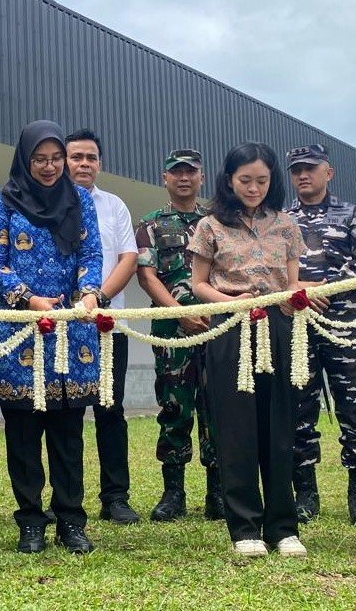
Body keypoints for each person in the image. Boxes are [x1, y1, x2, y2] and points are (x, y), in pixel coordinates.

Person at [0, 120, 104, 555]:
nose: (50, 167)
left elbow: (92, 253)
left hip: (72, 332)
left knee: (68, 434)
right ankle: (30, 521)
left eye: (56, 159)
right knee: (23, 433)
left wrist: (89, 292)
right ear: (25, 158)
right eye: (40, 159)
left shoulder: (80, 198)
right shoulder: (4, 200)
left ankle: (71, 520)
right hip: (19, 333)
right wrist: (29, 298)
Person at [189, 142, 307, 558]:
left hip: (277, 326)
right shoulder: (209, 226)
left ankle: (283, 526)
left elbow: (292, 281)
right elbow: (198, 284)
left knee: (278, 426)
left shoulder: (287, 225)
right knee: (236, 427)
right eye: (245, 180)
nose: (254, 188)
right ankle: (245, 528)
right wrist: (230, 303)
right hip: (231, 325)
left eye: (262, 180)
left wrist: (299, 295)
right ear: (228, 180)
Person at [284, 144, 356, 526]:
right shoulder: (282, 218)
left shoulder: (350, 213)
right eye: (296, 170)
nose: (303, 175)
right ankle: (306, 495)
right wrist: (302, 291)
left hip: (345, 327)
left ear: (330, 172)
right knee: (299, 412)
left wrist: (329, 287)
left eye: (311, 168)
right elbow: (275, 269)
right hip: (299, 327)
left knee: (355, 409)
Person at [135, 148, 224, 523]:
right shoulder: (151, 223)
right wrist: (179, 312)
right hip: (172, 329)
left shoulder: (219, 223)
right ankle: (174, 492)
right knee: (174, 407)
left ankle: (218, 491)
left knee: (217, 407)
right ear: (165, 178)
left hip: (216, 326)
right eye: (177, 172)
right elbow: (146, 275)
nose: (184, 177)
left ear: (201, 178)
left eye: (191, 172)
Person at [64, 129, 141, 525]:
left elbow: (128, 257)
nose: (84, 164)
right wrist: (75, 308)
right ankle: (70, 500)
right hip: (65, 328)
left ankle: (115, 497)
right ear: (64, 160)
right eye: (76, 156)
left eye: (91, 158)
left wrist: (99, 298)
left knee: (111, 411)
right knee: (70, 413)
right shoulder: (52, 204)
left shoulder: (114, 206)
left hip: (110, 326)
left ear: (100, 163)